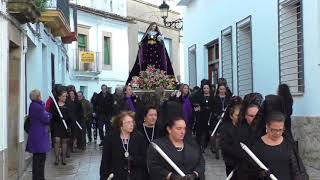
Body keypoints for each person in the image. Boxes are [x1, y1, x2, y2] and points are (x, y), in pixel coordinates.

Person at [252, 111, 302, 180]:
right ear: (267, 126)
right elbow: (251, 171)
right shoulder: (257, 146)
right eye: (274, 130)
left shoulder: (288, 144)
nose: (277, 133)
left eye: (280, 130)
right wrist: (260, 174)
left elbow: (295, 170)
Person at [100, 111, 147, 180]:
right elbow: (105, 160)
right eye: (128, 122)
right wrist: (103, 177)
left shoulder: (139, 137)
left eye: (132, 122)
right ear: (120, 124)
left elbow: (145, 158)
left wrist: (133, 159)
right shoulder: (110, 138)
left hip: (135, 176)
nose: (132, 125)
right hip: (116, 176)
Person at [26, 90, 52, 180]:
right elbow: (46, 119)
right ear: (38, 96)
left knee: (37, 157)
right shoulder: (38, 107)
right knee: (40, 158)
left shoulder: (33, 105)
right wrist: (49, 115)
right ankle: (39, 177)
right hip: (39, 134)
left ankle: (38, 177)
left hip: (35, 133)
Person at [220, 96, 242, 179]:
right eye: (237, 115)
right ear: (231, 116)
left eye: (241, 115)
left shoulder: (244, 127)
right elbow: (225, 146)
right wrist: (239, 153)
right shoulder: (225, 128)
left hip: (244, 163)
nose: (239, 117)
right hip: (231, 162)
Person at [50, 89, 71, 165]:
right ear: (59, 97)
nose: (65, 97)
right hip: (56, 125)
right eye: (64, 96)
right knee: (57, 141)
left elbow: (70, 116)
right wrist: (58, 117)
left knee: (64, 142)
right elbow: (51, 115)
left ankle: (63, 158)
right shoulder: (54, 104)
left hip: (65, 125)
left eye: (66, 96)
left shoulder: (68, 105)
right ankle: (56, 158)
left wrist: (66, 118)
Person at [194, 81, 214, 153]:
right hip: (201, 116)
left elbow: (214, 106)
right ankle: (201, 146)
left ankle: (210, 146)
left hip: (210, 117)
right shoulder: (200, 97)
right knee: (202, 133)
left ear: (209, 89)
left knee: (209, 132)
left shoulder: (212, 97)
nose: (206, 89)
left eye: (207, 88)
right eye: (204, 88)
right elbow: (196, 105)